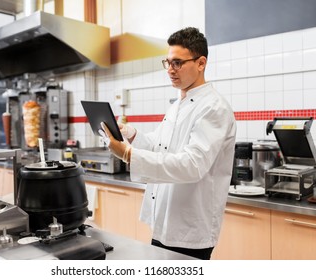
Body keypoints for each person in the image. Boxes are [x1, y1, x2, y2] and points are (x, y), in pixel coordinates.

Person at [100, 27, 236, 260]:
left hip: (190, 229)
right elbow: (160, 146)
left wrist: (128, 154)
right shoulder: (178, 103)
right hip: (165, 221)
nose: (170, 70)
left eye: (178, 63)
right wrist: (131, 134)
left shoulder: (214, 107)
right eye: (168, 62)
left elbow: (192, 165)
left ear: (201, 63)